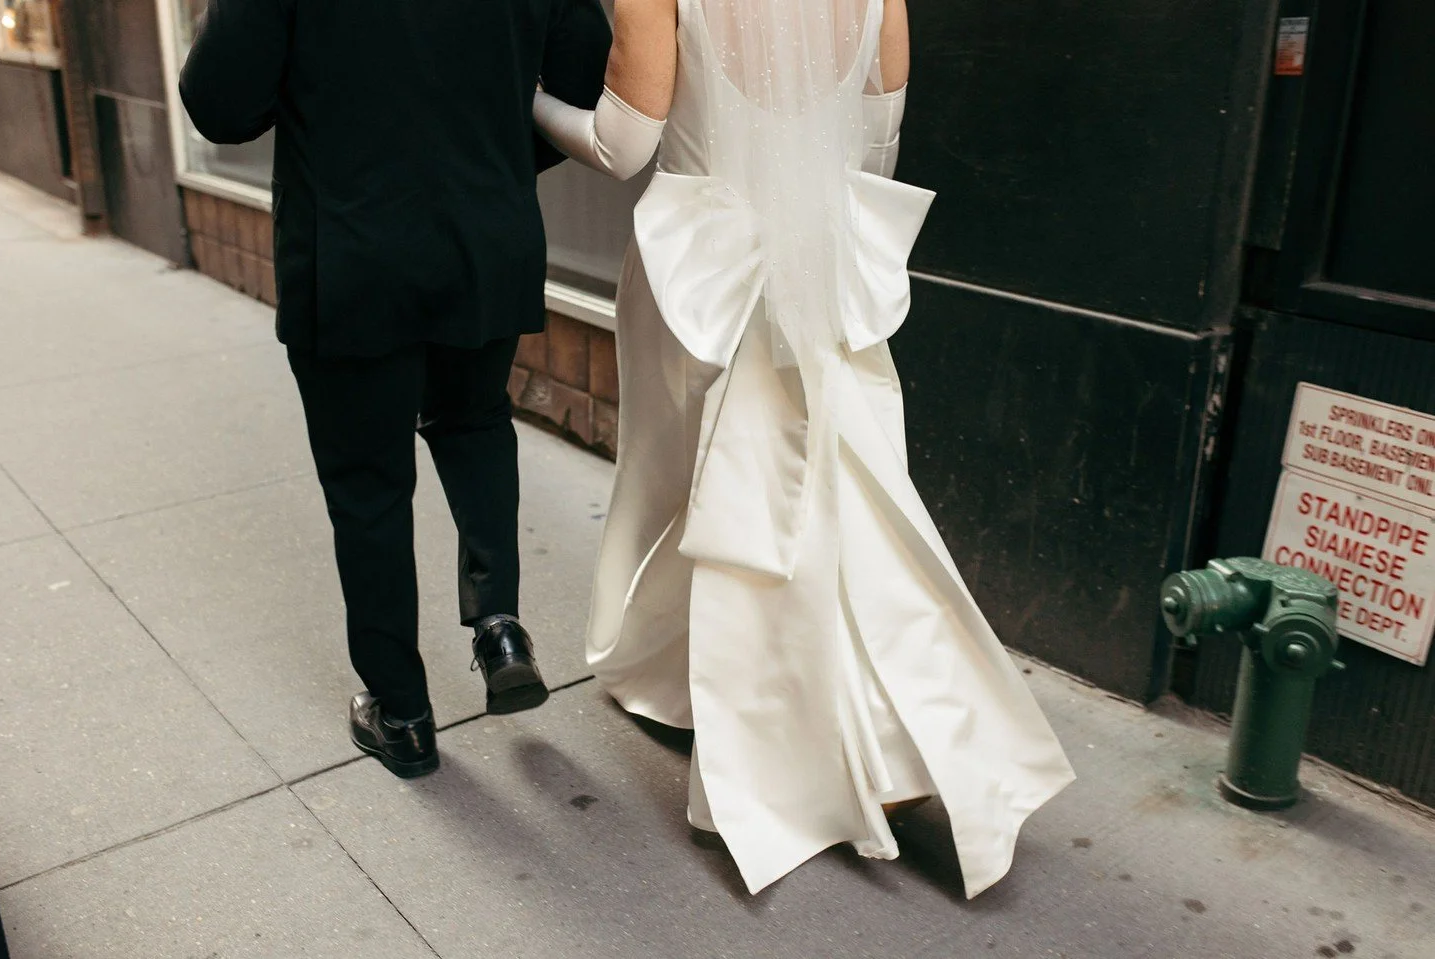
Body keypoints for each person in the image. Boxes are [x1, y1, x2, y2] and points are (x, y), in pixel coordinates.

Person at [533, 0, 1076, 896]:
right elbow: (876, 142)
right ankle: (888, 729)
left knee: (703, 491)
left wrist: (533, 102)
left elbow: (623, 146)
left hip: (699, 280)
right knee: (841, 485)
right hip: (825, 265)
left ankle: (772, 736)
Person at [179, 0, 612, 779]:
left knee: (367, 482)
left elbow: (218, 104)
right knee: (475, 418)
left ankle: (402, 712)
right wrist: (487, 147)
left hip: (349, 244)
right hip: (485, 232)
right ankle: (500, 625)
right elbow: (580, 78)